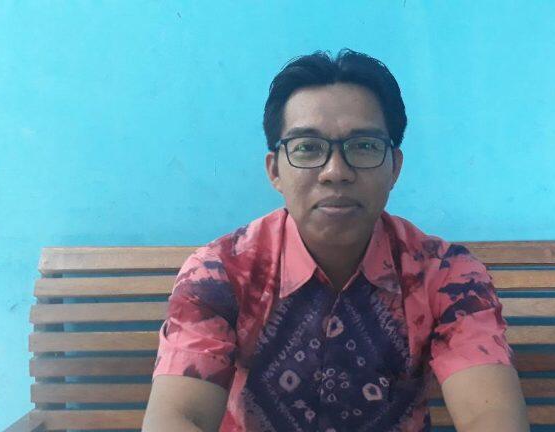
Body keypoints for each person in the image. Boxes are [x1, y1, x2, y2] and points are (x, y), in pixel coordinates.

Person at [142, 49, 529, 432]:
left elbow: (490, 415)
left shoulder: (445, 275)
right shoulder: (222, 273)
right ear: (274, 171)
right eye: (307, 148)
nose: (335, 172)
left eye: (364, 146)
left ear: (395, 167)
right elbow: (178, 416)